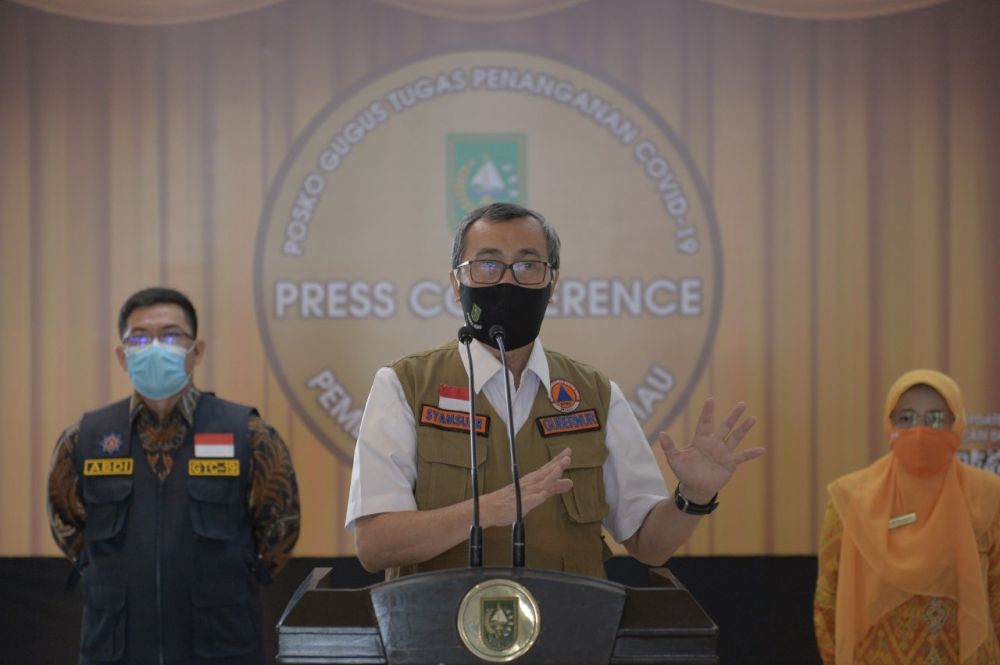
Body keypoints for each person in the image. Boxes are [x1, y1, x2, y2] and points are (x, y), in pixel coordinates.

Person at [345, 202, 764, 579]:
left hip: (571, 634)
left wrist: (693, 495)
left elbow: (650, 547)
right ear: (457, 283)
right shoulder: (404, 386)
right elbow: (375, 545)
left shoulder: (595, 393)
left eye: (527, 266)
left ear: (552, 282)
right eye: (488, 265)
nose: (507, 279)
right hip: (436, 636)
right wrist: (488, 511)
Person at [46, 287, 301, 665]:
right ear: (122, 355)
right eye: (140, 337)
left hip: (221, 642)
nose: (154, 347)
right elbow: (68, 525)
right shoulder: (83, 439)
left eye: (170, 335)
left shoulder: (249, 435)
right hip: (116, 644)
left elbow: (279, 531)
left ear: (196, 351)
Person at [814, 369, 1000, 664]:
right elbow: (828, 603)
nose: (920, 430)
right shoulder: (851, 499)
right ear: (890, 424)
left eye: (936, 418)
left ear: (958, 423)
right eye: (906, 418)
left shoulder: (988, 497)